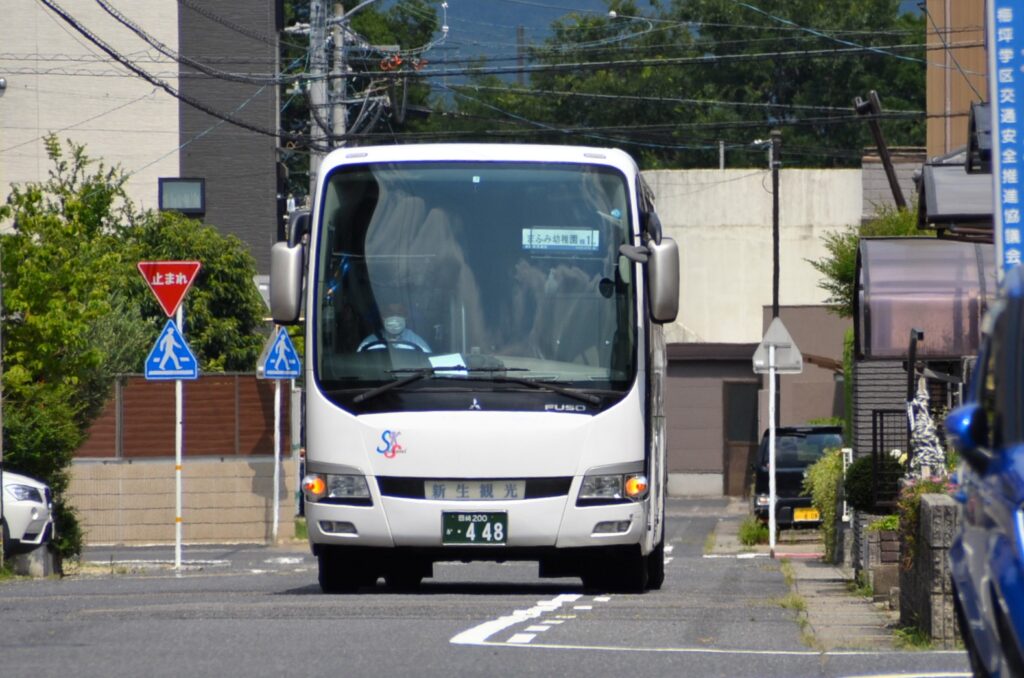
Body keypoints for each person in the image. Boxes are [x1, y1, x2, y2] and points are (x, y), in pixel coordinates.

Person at [358, 302, 431, 352]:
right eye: (390, 313)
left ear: (406, 316)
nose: (395, 317)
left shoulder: (416, 341)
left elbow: (429, 365)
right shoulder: (369, 343)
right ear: (382, 316)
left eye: (399, 313)